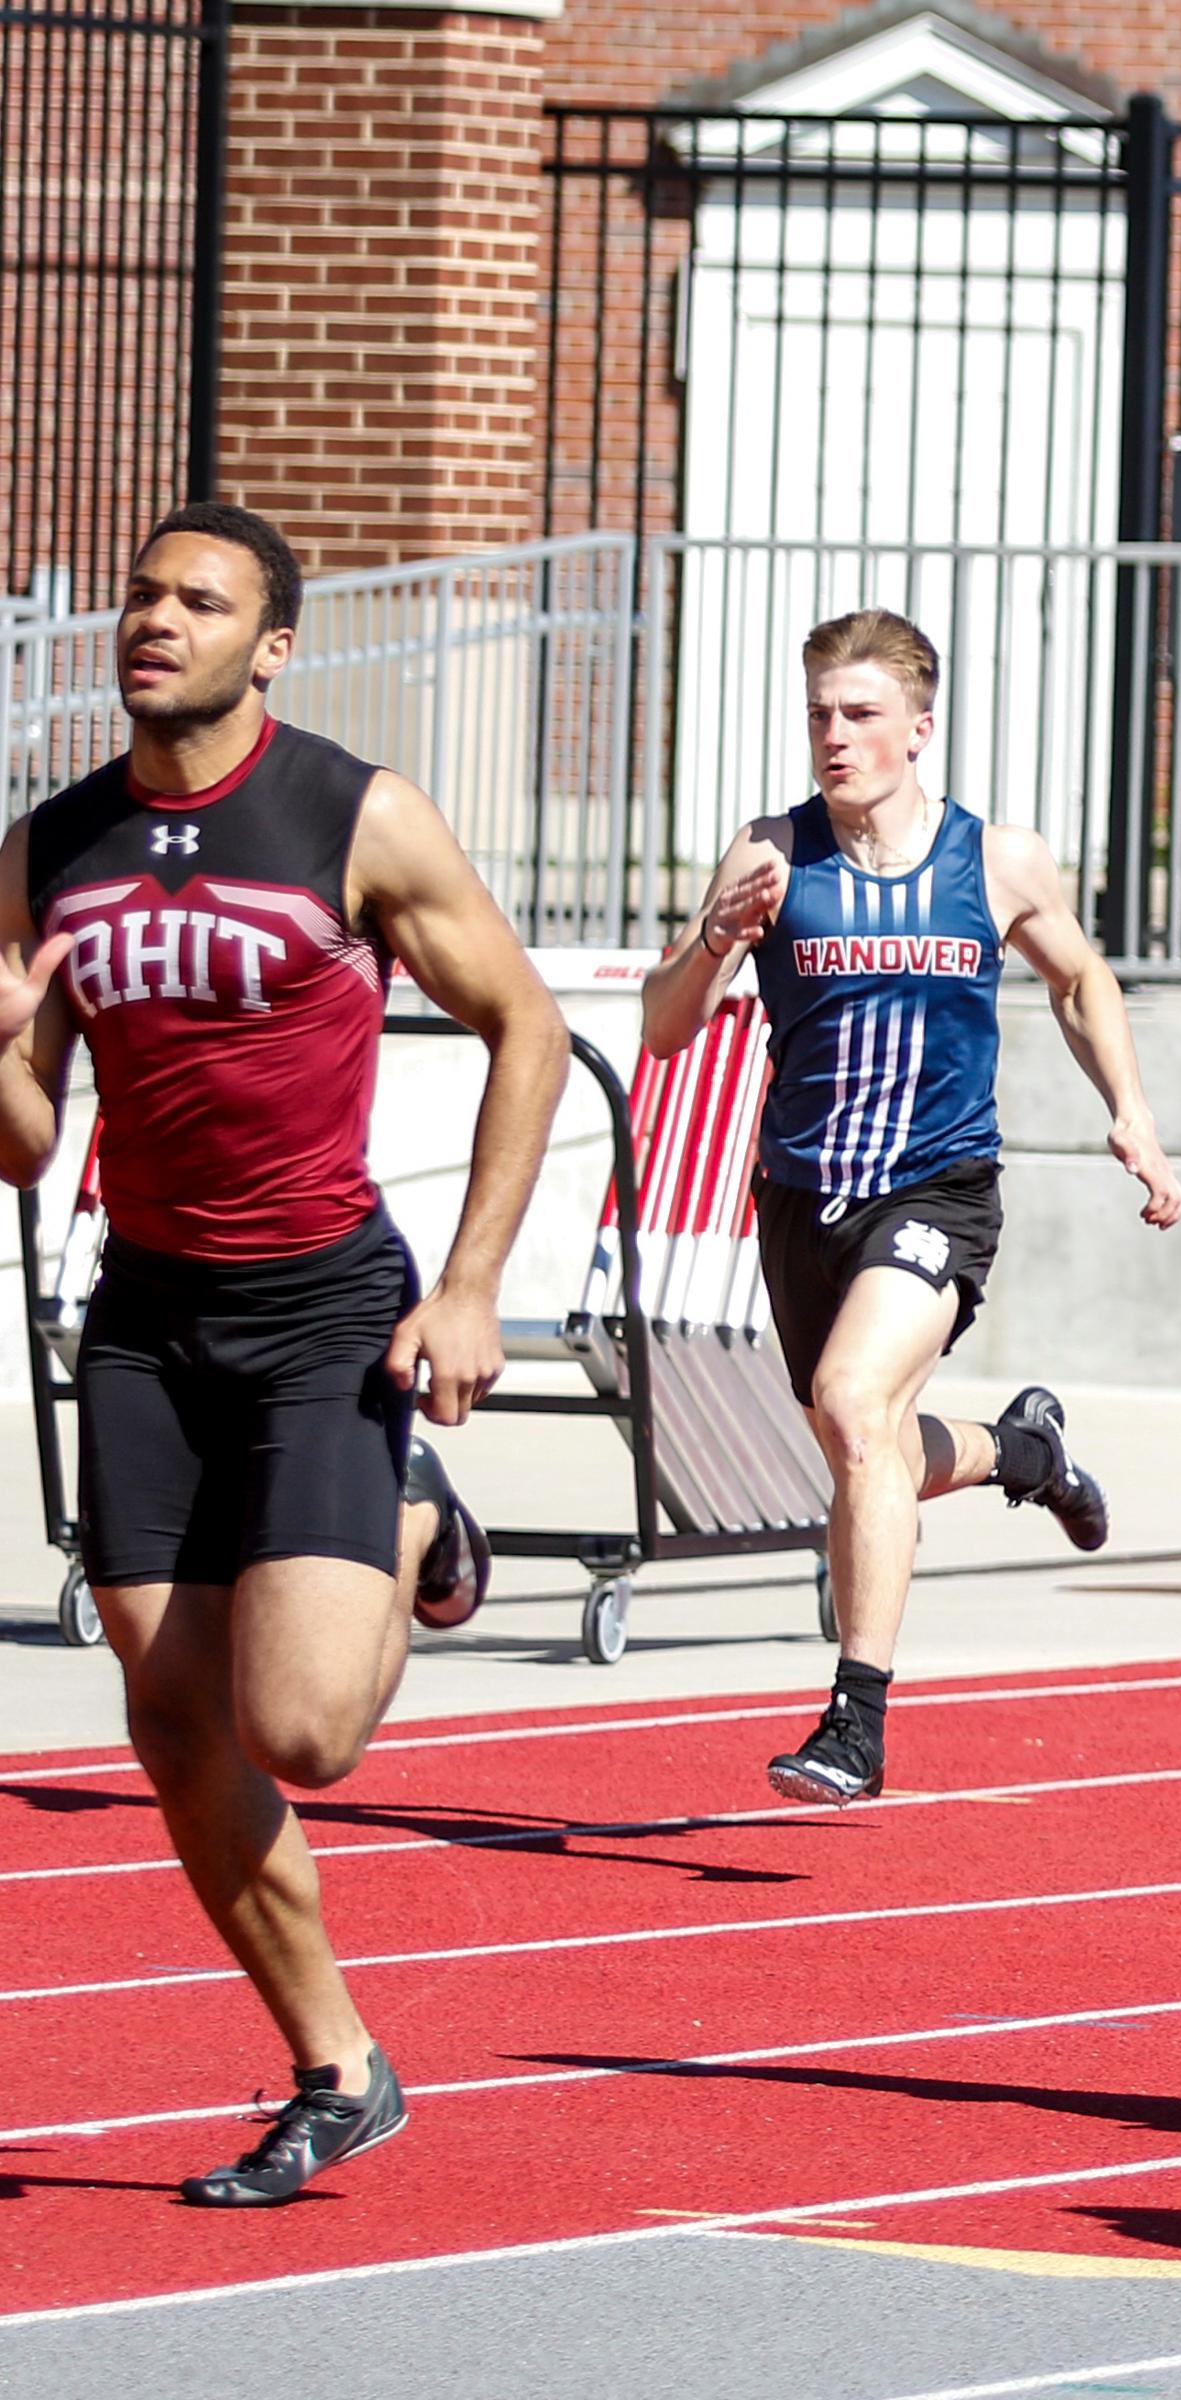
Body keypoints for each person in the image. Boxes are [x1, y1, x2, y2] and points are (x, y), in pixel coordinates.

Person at [0, 504, 566, 2204]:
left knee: (305, 1734)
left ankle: (406, 1515)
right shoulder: (54, 847)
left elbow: (526, 1026)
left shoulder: (352, 813)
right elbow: (27, 1143)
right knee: (176, 1725)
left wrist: (465, 1289)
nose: (155, 621)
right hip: (148, 1321)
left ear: (275, 643)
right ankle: (340, 2066)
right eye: (141, 595)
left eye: (200, 601)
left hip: (324, 1305)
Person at [641, 608, 1181, 1805]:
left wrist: (1130, 1113)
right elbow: (664, 1026)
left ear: (919, 729)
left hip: (939, 1187)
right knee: (863, 1441)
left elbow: (1081, 973)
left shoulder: (997, 860)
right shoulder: (768, 856)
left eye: (861, 715)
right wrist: (711, 946)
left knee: (849, 1403)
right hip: (800, 1197)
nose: (835, 738)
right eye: (820, 715)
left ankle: (855, 1720)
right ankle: (1023, 1451)